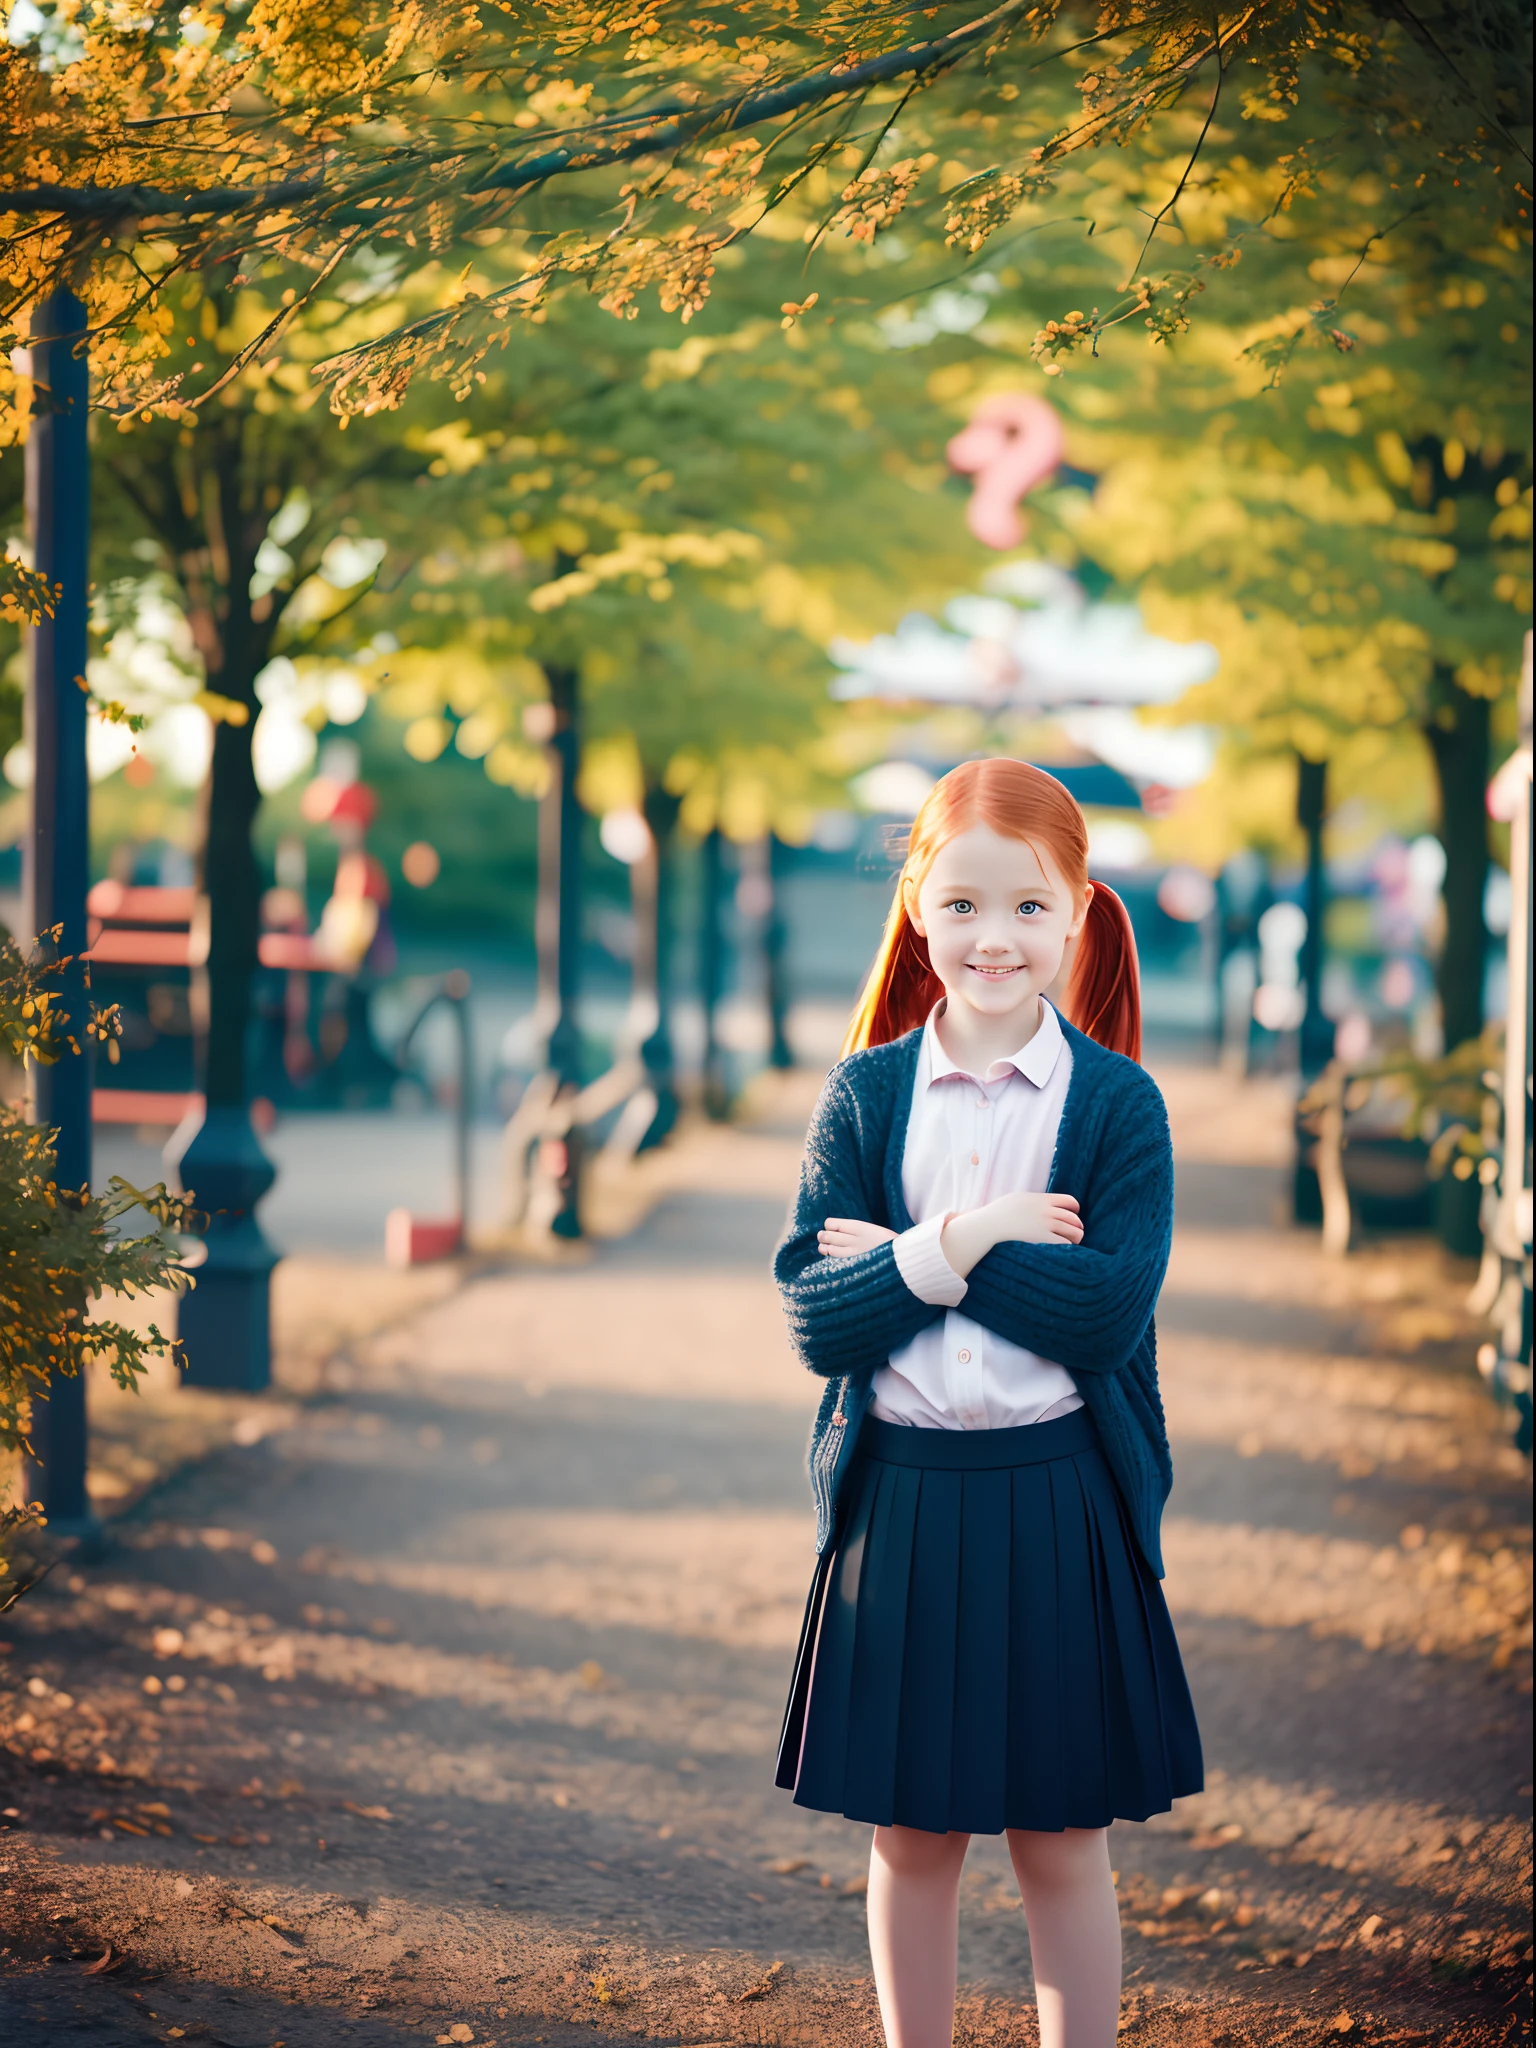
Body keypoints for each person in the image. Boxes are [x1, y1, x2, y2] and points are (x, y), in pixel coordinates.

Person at [773, 758, 1202, 2048]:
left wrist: (910, 1252)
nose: (991, 939)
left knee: (1059, 1844)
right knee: (913, 1841)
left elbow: (1103, 1315)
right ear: (915, 906)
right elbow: (813, 1315)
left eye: (1025, 908)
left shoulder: (1122, 1107)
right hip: (899, 1500)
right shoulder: (862, 1093)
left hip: (1059, 1494)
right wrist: (993, 1233)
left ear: (1076, 910)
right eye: (960, 905)